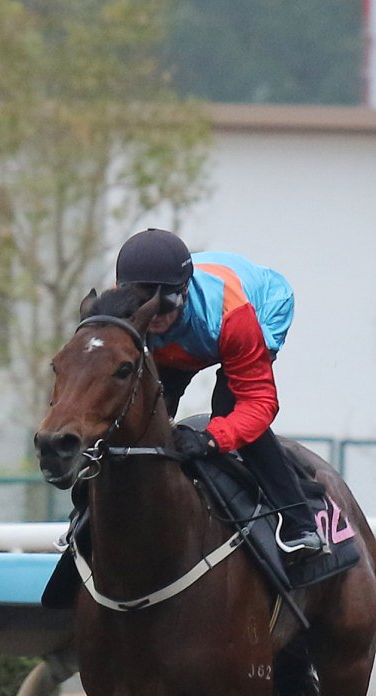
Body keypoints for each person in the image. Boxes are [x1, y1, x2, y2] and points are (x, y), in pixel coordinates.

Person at [113, 228, 324, 555]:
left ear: (184, 291)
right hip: (188, 337)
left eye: (165, 305)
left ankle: (300, 520)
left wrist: (210, 439)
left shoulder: (232, 316)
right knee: (145, 412)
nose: (154, 318)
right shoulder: (117, 308)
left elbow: (260, 403)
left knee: (228, 409)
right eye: (144, 306)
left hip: (258, 308)